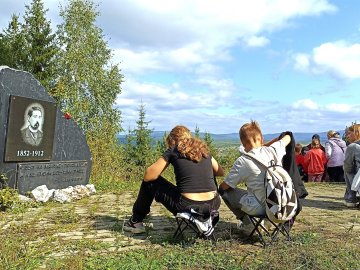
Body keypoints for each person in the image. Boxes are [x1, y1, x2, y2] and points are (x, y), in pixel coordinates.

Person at [124, 125, 224, 233]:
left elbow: (149, 175)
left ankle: (136, 222)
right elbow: (220, 172)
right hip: (213, 204)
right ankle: (204, 216)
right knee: (211, 174)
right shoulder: (204, 150)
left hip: (186, 205)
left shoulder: (174, 149)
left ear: (172, 140)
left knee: (149, 181)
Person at [218, 120, 291, 235]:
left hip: (261, 208)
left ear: (242, 143)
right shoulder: (274, 150)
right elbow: (287, 138)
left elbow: (226, 185)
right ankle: (267, 222)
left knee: (226, 192)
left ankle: (249, 225)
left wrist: (219, 186)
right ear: (261, 139)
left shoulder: (243, 161)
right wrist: (276, 139)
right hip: (282, 203)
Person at [343, 123, 360, 208]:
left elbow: (347, 167)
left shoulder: (353, 146)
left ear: (357, 133)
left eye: (349, 133)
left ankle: (350, 199)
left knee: (347, 170)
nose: (347, 136)